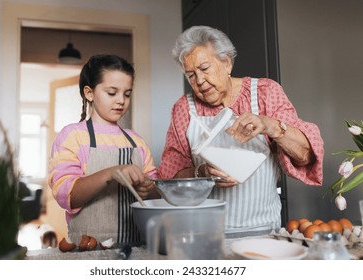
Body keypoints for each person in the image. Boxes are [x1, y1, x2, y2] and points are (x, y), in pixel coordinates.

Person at [158, 25, 324, 237]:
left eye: (205, 68)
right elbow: (170, 178)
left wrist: (269, 125)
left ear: (227, 63)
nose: (199, 81)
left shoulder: (265, 93)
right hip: (203, 233)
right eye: (191, 75)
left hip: (264, 231)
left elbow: (305, 154)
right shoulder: (184, 108)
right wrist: (203, 173)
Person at [49, 54, 157, 246]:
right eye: (112, 92)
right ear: (89, 93)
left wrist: (148, 188)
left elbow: (156, 192)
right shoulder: (72, 136)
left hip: (135, 248)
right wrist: (112, 173)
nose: (121, 101)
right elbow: (68, 197)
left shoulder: (137, 142)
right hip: (86, 251)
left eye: (127, 93)